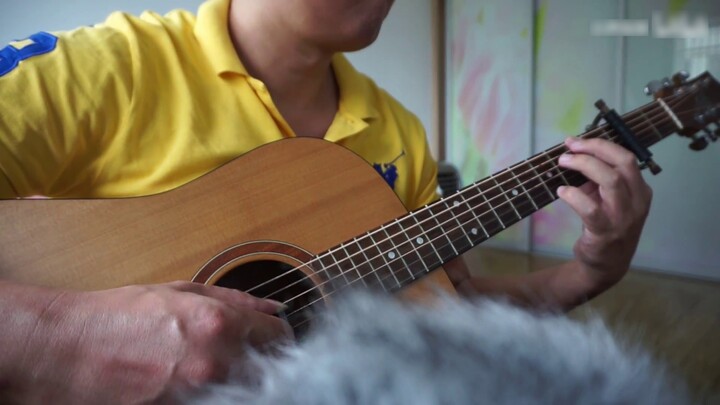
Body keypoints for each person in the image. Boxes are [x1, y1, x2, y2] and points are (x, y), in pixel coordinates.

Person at [0, 0, 653, 402]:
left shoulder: (399, 132)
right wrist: (61, 334)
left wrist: (588, 273)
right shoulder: (106, 69)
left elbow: (434, 311)